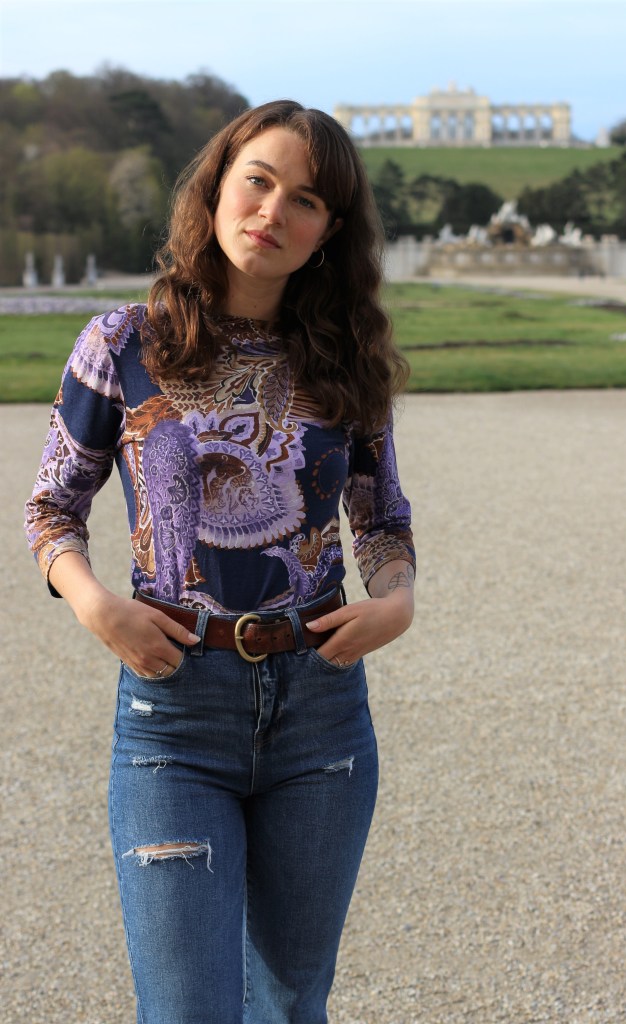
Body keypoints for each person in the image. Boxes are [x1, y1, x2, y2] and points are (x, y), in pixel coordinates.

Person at [24, 99, 415, 1024]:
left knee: (289, 1004)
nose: (273, 211)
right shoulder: (123, 344)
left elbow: (381, 520)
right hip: (174, 716)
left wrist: (395, 600)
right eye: (258, 181)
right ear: (215, 187)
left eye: (305, 199)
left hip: (320, 713)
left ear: (328, 231)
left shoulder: (344, 358)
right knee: (187, 1010)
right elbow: (52, 507)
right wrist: (94, 604)